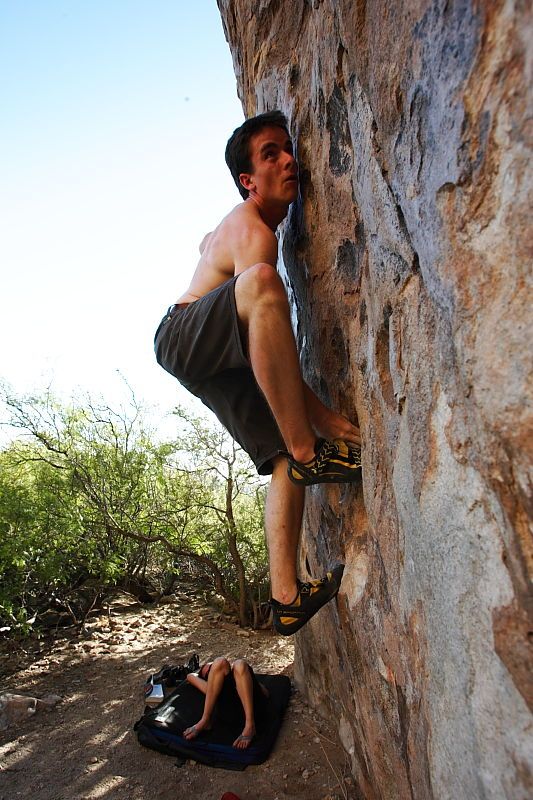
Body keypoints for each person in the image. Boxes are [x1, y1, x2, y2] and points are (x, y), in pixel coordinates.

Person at [154, 110, 362, 635]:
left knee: (280, 461)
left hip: (210, 356)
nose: (290, 160)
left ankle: (286, 596)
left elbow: (207, 244)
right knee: (263, 281)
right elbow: (264, 325)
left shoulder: (239, 227)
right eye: (271, 154)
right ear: (248, 180)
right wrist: (326, 427)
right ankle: (311, 452)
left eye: (288, 149)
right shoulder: (253, 232)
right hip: (183, 335)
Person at [183, 657, 269, 750]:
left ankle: (250, 726)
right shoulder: (211, 690)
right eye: (209, 673)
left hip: (254, 706)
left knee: (238, 663)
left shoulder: (239, 674)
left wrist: (242, 676)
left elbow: (265, 693)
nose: (213, 669)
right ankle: (205, 720)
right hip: (233, 711)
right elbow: (190, 676)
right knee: (221, 662)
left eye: (212, 667)